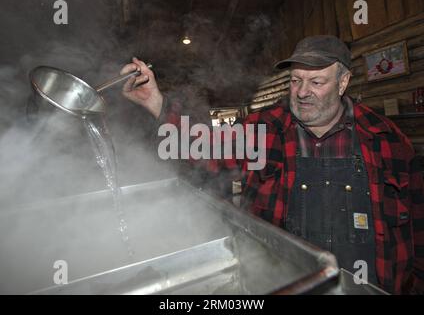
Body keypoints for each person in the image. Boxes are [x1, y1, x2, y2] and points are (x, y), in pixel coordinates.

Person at [120, 35, 424, 295]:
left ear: (343, 82)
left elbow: (418, 225)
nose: (302, 92)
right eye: (295, 81)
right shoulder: (264, 129)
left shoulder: (386, 140)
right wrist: (155, 102)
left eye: (316, 82)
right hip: (285, 284)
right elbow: (202, 147)